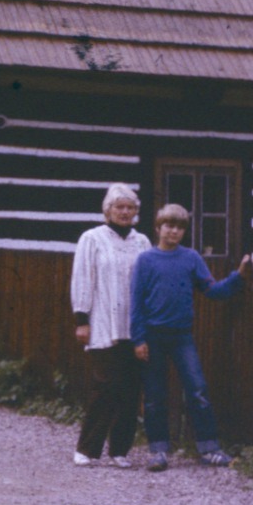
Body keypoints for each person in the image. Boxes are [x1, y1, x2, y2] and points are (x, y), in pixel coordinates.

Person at [131, 203, 251, 471]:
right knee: (154, 396)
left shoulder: (191, 258)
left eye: (179, 227)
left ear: (184, 231)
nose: (173, 231)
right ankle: (158, 452)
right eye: (169, 226)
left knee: (198, 391)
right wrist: (138, 340)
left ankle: (210, 449)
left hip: (181, 337)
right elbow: (136, 303)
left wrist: (237, 277)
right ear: (158, 227)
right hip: (152, 337)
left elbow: (212, 290)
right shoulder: (145, 260)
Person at [68, 183, 152, 468]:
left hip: (135, 327)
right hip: (104, 324)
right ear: (108, 210)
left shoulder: (142, 242)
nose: (125, 212)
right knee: (104, 387)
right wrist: (82, 320)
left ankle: (120, 450)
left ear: (136, 212)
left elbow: (149, 282)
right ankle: (87, 449)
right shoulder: (92, 239)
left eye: (130, 207)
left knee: (130, 390)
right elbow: (83, 278)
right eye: (119, 207)